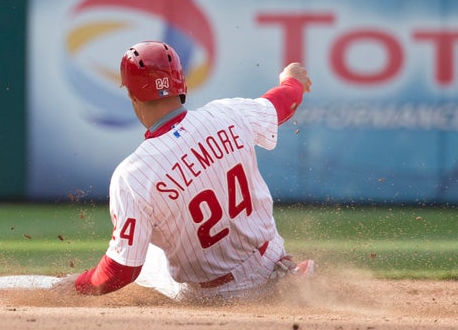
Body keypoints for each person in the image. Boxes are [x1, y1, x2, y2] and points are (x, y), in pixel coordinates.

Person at [53, 41, 314, 302]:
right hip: (270, 261)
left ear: (132, 95)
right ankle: (283, 275)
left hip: (219, 294)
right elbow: (283, 103)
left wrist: (78, 285)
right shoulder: (228, 114)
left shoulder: (133, 175)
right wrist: (292, 80)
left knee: (146, 256)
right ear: (182, 85)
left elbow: (120, 271)